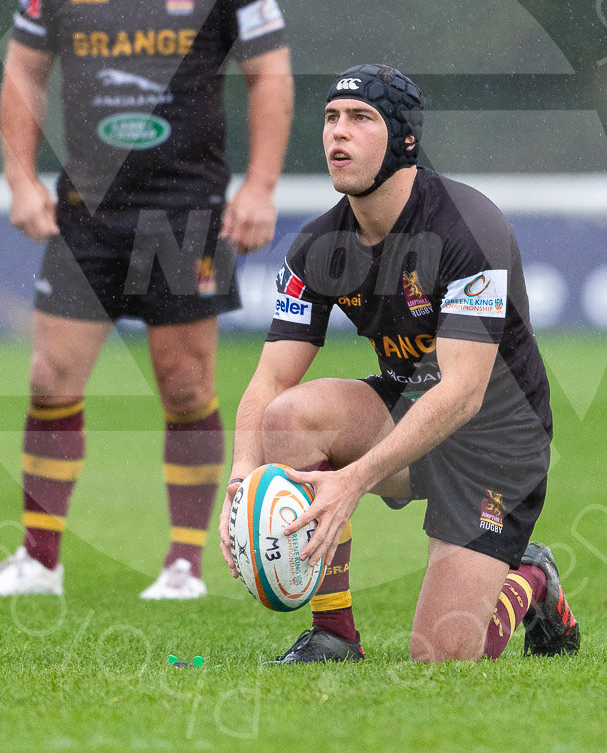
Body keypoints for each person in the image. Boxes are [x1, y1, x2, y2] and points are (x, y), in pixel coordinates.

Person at [0, 0, 294, 600]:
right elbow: (24, 74)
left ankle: (183, 565)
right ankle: (39, 562)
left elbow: (270, 74)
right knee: (51, 378)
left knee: (185, 387)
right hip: (88, 212)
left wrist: (259, 186)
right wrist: (19, 179)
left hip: (185, 210)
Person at [218, 63, 580, 661]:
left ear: (405, 140)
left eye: (361, 118)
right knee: (287, 417)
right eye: (331, 117)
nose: (338, 132)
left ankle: (532, 579)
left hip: (496, 441)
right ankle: (334, 634)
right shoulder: (318, 246)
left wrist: (352, 480)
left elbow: (462, 394)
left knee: (441, 657)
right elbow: (270, 379)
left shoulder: (469, 228)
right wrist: (240, 483)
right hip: (407, 413)